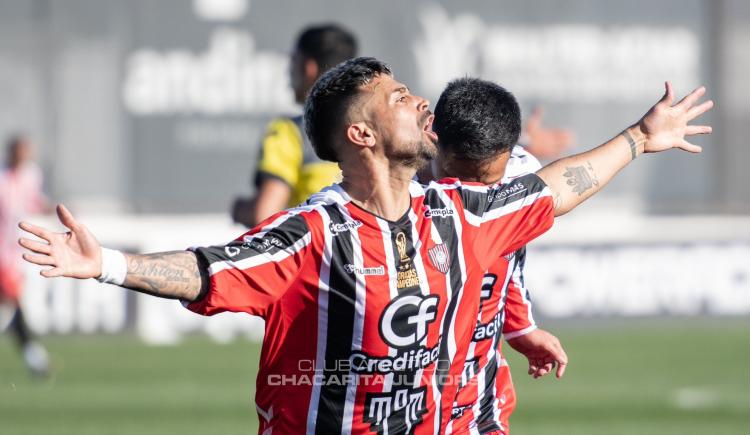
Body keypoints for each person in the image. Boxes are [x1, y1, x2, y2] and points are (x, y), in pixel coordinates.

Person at [19, 57, 712, 434]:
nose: (420, 105)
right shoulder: (314, 235)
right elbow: (208, 271)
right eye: (399, 97)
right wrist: (105, 263)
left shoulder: (458, 213)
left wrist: (639, 138)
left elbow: (553, 187)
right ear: (363, 137)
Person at [432, 79, 570, 434]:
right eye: (463, 174)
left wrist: (520, 326)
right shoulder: (400, 189)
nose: (476, 197)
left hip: (479, 403)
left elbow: (508, 256)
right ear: (436, 144)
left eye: (487, 182)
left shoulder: (521, 171)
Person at [231, 24, 357, 228]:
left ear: (308, 67)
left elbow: (263, 215)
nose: (288, 72)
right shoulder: (372, 126)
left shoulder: (288, 131)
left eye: (292, 60)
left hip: (318, 254)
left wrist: (239, 210)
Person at [0, 135, 50, 377]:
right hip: (2, 255)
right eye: (20, 151)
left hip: (16, 253)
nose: (24, 156)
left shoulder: (32, 175)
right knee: (13, 303)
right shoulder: (2, 180)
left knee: (9, 308)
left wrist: (49, 207)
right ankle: (35, 357)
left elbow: (32, 203)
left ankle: (34, 356)